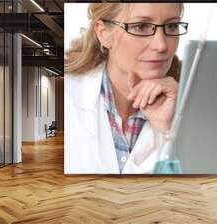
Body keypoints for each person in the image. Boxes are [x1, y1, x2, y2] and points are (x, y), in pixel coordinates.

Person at [64, 3, 187, 174]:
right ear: (104, 34)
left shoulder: (196, 109)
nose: (161, 45)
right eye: (141, 26)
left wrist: (168, 132)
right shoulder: (68, 96)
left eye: (171, 26)